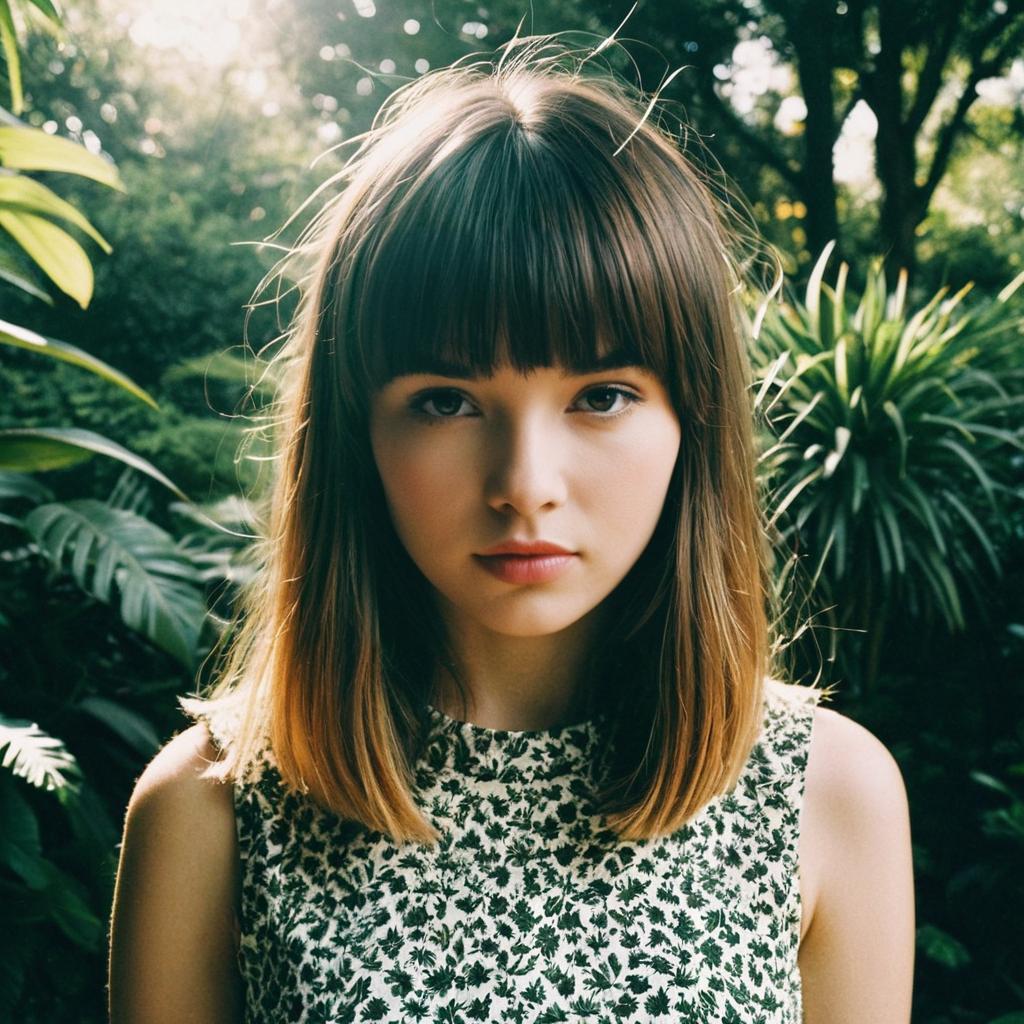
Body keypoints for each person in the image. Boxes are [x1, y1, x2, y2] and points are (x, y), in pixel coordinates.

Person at [107, 30, 915, 1024]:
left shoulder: (827, 795)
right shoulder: (214, 807)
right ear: (357, 430)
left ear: (692, 421)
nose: (525, 485)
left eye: (602, 395)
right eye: (447, 400)